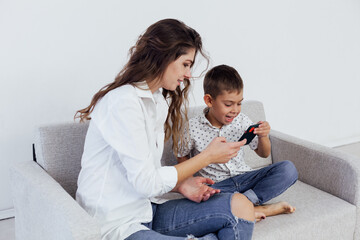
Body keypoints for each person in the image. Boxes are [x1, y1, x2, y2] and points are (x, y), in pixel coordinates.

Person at [75, 19, 256, 240]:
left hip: (147, 210)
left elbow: (148, 172)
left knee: (241, 206)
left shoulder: (156, 101)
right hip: (115, 224)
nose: (189, 74)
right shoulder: (123, 103)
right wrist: (207, 157)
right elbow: (145, 181)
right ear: (164, 56)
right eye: (186, 64)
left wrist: (180, 185)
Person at [177, 64, 298, 221]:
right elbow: (181, 156)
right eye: (228, 104)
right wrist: (191, 182)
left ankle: (246, 203)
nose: (235, 110)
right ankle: (253, 208)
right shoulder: (192, 128)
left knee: (288, 169)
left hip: (245, 178)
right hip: (218, 186)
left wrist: (263, 136)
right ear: (209, 100)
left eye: (239, 103)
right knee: (196, 204)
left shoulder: (242, 121)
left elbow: (264, 153)